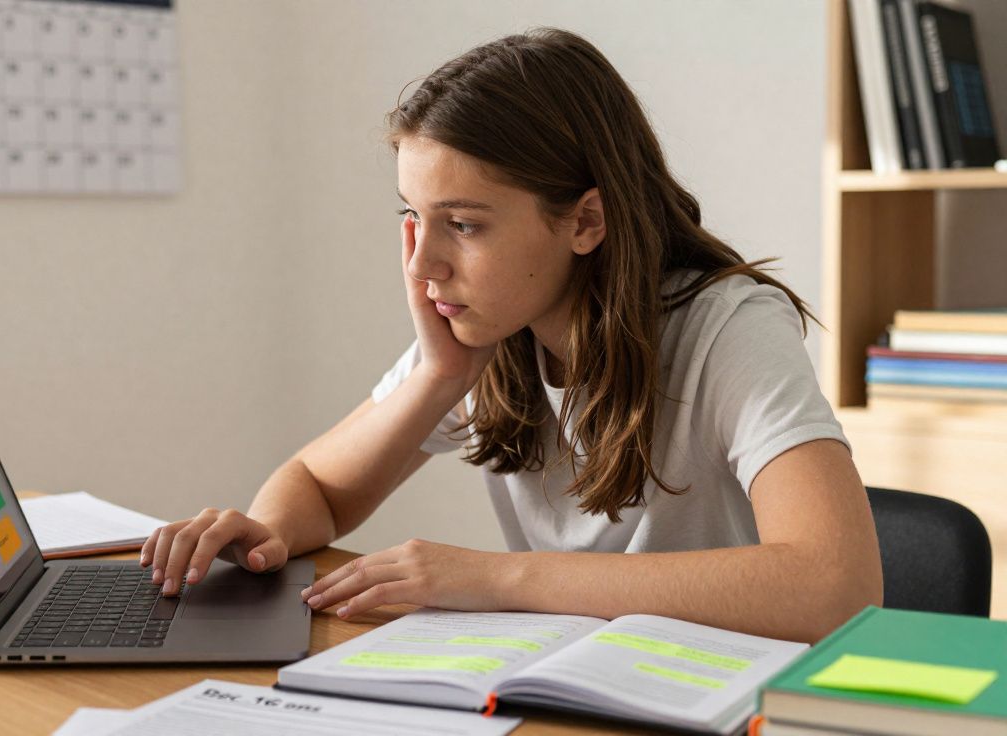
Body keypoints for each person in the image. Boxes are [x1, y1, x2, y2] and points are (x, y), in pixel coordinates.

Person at [141, 28, 881, 643]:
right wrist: (433, 382)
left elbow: (836, 588)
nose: (425, 263)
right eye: (412, 217)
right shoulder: (490, 332)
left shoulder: (727, 329)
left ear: (586, 222)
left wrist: (496, 578)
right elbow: (316, 492)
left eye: (463, 224)